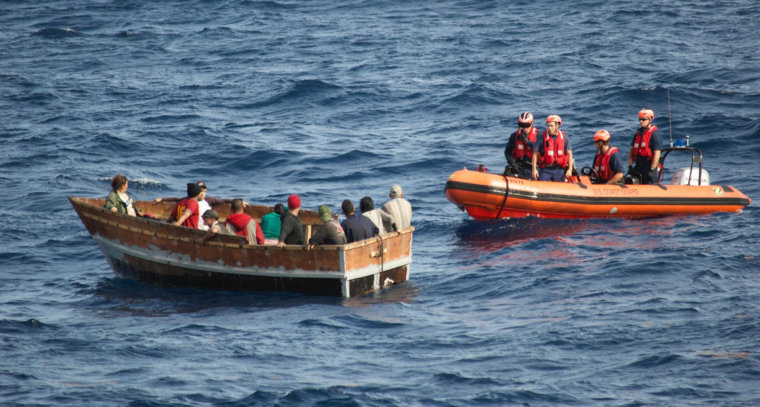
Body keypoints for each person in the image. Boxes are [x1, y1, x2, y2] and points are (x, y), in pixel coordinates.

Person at [154, 181, 241, 230]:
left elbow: (170, 218)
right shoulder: (193, 203)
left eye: (204, 191)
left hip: (184, 230)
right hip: (191, 232)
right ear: (197, 193)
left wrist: (166, 228)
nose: (202, 193)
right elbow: (186, 214)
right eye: (200, 191)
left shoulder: (181, 202)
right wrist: (176, 225)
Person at [532, 114, 574, 182]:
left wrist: (570, 169)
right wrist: (534, 169)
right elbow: (535, 154)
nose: (549, 128)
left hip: (559, 170)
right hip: (546, 169)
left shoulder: (564, 138)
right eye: (548, 126)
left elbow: (569, 154)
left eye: (551, 126)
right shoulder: (542, 138)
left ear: (557, 125)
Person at [628, 108, 663, 184]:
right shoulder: (638, 134)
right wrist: (630, 166)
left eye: (643, 119)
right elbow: (631, 150)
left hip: (648, 167)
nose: (641, 121)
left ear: (650, 119)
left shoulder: (654, 135)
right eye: (640, 119)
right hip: (638, 166)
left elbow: (657, 154)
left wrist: (652, 170)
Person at [504, 111, 538, 178]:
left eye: (526, 126)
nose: (524, 129)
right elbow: (507, 152)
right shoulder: (514, 136)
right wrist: (513, 163)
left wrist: (527, 142)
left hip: (533, 167)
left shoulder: (539, 136)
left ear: (531, 124)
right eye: (522, 126)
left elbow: (541, 150)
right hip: (519, 166)